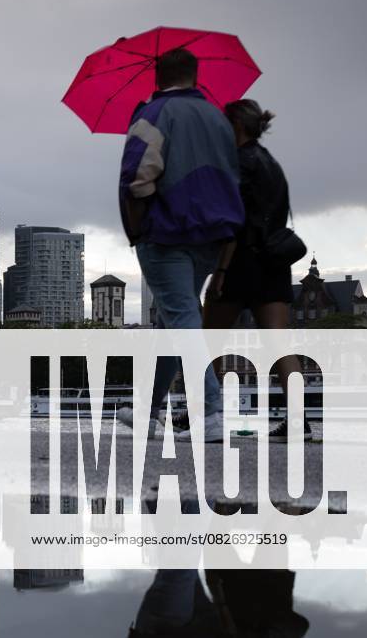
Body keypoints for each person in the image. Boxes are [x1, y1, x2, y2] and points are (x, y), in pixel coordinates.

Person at [115, 47, 245, 443]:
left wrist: (138, 227)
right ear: (196, 75)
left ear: (158, 76)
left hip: (167, 233)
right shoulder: (218, 119)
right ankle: (149, 411)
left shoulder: (154, 114)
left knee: (183, 320)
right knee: (172, 323)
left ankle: (211, 411)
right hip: (213, 233)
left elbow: (136, 177)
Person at [204, 100, 310, 442]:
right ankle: (299, 422)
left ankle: (205, 413)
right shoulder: (271, 163)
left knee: (208, 340)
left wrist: (220, 271)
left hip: (241, 261)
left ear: (236, 125)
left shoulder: (238, 162)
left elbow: (234, 222)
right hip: (274, 262)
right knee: (279, 342)